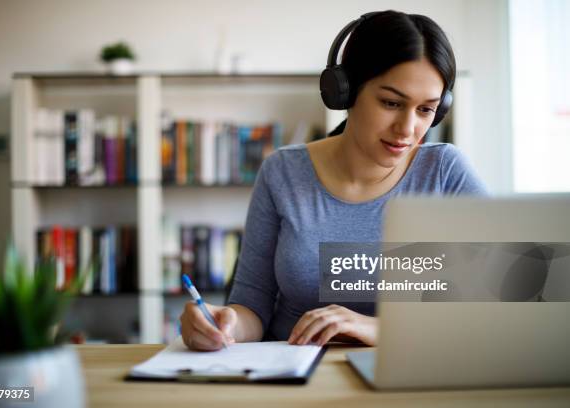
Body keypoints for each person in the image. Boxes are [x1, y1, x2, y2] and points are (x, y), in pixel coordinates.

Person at [180, 10, 488, 351]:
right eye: (391, 102)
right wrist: (223, 322)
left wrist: (378, 329)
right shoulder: (282, 172)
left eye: (426, 110)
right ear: (345, 91)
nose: (408, 129)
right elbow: (252, 305)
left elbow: (505, 292)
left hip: (410, 376)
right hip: (297, 378)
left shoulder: (444, 173)